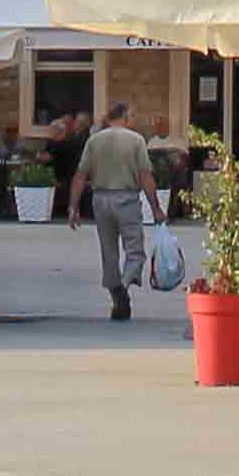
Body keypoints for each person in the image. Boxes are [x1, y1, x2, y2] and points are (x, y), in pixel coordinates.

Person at [78, 106, 157, 318]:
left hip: (100, 199)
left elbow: (81, 174)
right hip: (127, 199)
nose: (133, 119)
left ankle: (117, 297)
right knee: (135, 250)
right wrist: (156, 208)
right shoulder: (136, 140)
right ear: (125, 117)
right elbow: (145, 176)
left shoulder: (94, 141)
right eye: (132, 116)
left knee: (109, 252)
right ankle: (124, 284)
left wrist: (73, 206)